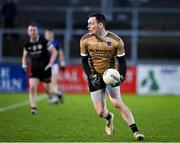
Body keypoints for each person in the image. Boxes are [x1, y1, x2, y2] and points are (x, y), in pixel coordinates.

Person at [80, 12, 144, 141]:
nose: (88, 26)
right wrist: (90, 76)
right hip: (94, 77)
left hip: (110, 75)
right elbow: (83, 61)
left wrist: (122, 76)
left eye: (91, 24)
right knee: (100, 112)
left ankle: (136, 131)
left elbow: (122, 61)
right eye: (88, 24)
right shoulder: (85, 40)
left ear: (100, 25)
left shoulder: (116, 41)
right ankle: (109, 118)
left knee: (117, 103)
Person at [21, 23, 58, 115]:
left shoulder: (44, 41)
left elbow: (54, 52)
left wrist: (50, 64)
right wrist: (24, 65)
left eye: (34, 30)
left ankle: (51, 95)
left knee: (46, 89)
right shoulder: (27, 44)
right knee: (32, 88)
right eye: (31, 30)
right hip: (34, 69)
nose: (33, 32)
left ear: (37, 31)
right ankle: (33, 109)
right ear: (28, 32)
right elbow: (24, 56)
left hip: (45, 68)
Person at [44, 28, 65, 103]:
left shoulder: (56, 42)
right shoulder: (43, 43)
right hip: (45, 65)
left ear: (52, 34)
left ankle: (54, 97)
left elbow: (60, 52)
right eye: (45, 34)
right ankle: (58, 92)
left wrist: (62, 62)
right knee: (45, 85)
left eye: (48, 34)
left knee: (53, 81)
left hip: (54, 64)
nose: (46, 35)